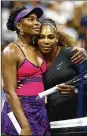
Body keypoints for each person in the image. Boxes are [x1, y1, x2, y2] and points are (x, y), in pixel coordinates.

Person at [1, 6, 51, 136]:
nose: (37, 23)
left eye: (37, 20)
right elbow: (10, 92)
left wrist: (81, 50)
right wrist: (24, 125)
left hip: (40, 110)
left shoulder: (40, 47)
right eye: (31, 19)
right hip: (20, 112)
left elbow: (58, 40)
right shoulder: (11, 51)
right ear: (19, 25)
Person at [37, 18, 87, 122]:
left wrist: (76, 90)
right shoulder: (31, 59)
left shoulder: (73, 54)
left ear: (57, 38)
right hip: (49, 119)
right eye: (41, 37)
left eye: (50, 37)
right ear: (35, 40)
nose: (46, 41)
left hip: (75, 118)